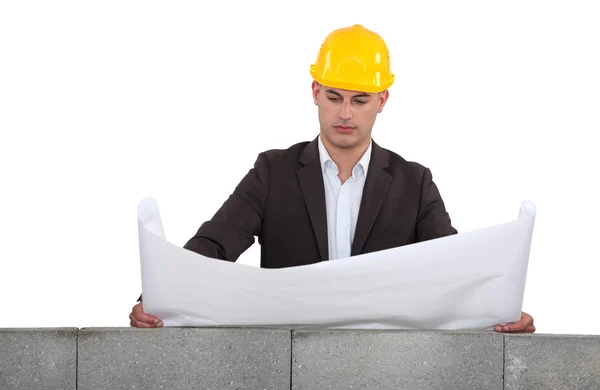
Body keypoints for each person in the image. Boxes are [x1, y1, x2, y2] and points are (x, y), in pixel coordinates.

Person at [130, 24, 535, 333]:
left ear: (382, 101)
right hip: (289, 361)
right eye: (334, 97)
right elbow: (214, 244)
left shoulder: (415, 184)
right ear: (315, 91)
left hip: (385, 370)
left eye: (360, 101)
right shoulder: (273, 172)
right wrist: (161, 295)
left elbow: (453, 269)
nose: (345, 114)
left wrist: (499, 308)